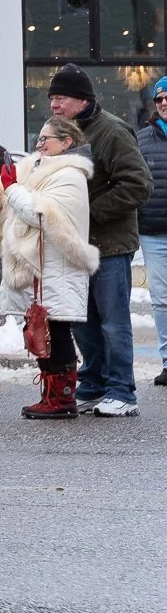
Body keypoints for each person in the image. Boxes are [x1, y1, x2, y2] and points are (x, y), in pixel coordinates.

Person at [0, 119, 98, 422]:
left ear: (67, 142)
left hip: (58, 266)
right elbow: (4, 203)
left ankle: (62, 398)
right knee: (42, 332)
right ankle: (52, 395)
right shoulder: (35, 167)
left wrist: (12, 188)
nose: (39, 143)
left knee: (57, 333)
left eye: (46, 138)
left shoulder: (71, 175)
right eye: (39, 137)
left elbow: (39, 214)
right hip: (39, 267)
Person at [43, 64, 154, 417]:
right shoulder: (60, 133)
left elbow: (138, 184)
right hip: (75, 245)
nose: (54, 105)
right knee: (82, 321)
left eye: (61, 98)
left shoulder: (113, 131)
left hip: (110, 246)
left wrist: (87, 213)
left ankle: (122, 391)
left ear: (82, 100)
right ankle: (93, 385)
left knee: (113, 323)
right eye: (52, 99)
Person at [137, 78, 167, 389]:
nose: (164, 103)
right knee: (161, 300)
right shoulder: (142, 138)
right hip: (154, 233)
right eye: (160, 99)